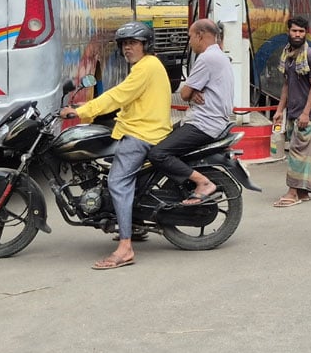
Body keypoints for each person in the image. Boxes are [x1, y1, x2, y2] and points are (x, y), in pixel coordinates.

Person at [59, 21, 172, 270]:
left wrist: (81, 111)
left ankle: (125, 247)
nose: (127, 48)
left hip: (142, 134)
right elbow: (124, 98)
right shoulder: (145, 66)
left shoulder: (147, 67)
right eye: (124, 44)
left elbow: (118, 95)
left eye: (133, 43)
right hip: (138, 127)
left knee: (118, 182)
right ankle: (135, 223)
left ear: (146, 45)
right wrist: (85, 111)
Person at [147, 19, 234, 205]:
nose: (191, 42)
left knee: (158, 154)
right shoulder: (219, 55)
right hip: (210, 120)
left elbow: (185, 93)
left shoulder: (207, 58)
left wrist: (192, 91)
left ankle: (202, 183)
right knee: (158, 138)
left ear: (200, 35)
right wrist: (194, 91)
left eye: (191, 37)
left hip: (203, 124)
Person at [273, 16, 311, 208]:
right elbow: (286, 85)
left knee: (296, 153)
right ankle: (303, 192)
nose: (297, 34)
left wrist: (305, 113)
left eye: (301, 31)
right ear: (288, 31)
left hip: (304, 115)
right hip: (293, 112)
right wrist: (279, 110)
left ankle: (292, 192)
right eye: (294, 31)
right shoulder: (288, 55)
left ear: (305, 33)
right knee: (301, 153)